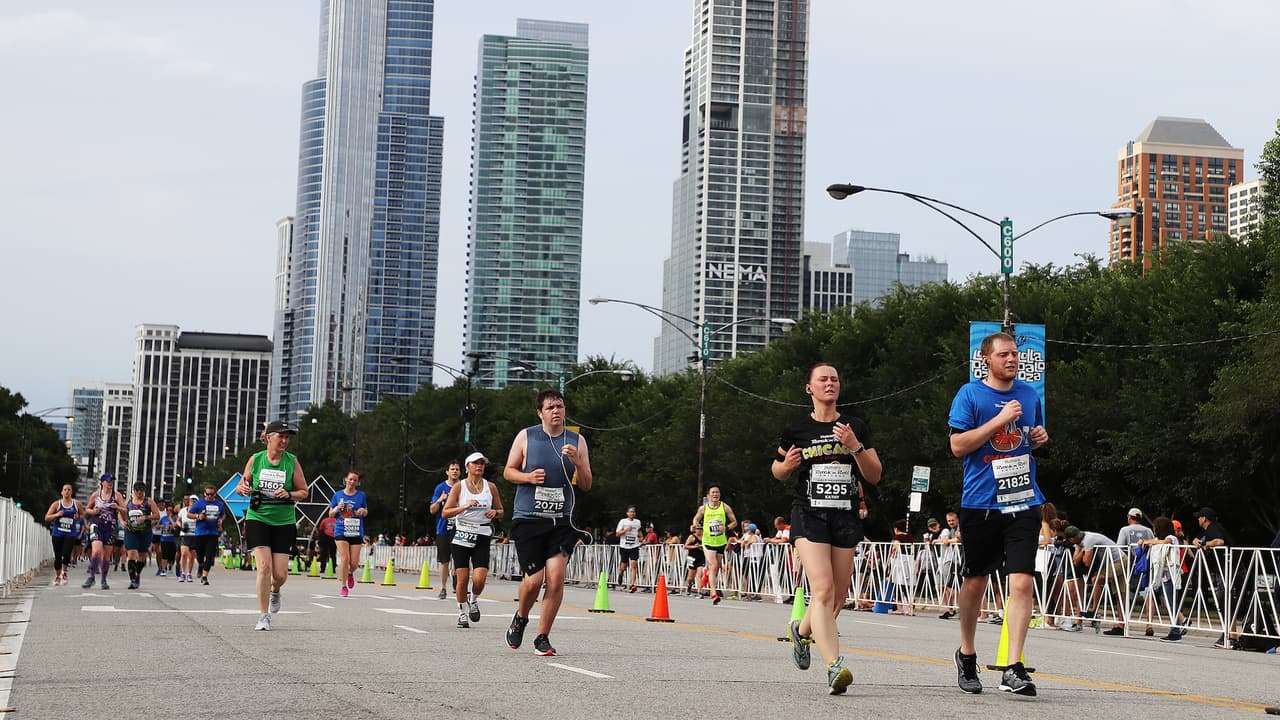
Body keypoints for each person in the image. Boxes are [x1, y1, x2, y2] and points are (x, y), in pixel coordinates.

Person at [947, 332, 1048, 696]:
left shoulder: (1029, 394)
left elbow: (1030, 437)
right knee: (976, 581)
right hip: (981, 503)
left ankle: (1013, 666)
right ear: (985, 359)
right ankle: (967, 654)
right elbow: (957, 445)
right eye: (1004, 354)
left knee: (1021, 582)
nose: (1012, 359)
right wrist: (999, 419)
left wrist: (1039, 438)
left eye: (1015, 354)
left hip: (1022, 500)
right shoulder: (970, 394)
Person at [773, 361, 882, 695]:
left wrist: (855, 446)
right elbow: (776, 469)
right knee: (822, 589)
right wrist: (786, 466)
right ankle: (835, 666)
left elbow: (874, 474)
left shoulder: (855, 426)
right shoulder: (796, 429)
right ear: (810, 388)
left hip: (844, 516)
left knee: (837, 597)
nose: (830, 383)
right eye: (823, 379)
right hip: (809, 514)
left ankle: (801, 630)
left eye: (835, 379)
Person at [503, 389, 593, 657]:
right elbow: (508, 471)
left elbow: (586, 484)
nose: (556, 411)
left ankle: (542, 637)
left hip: (561, 521)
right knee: (534, 580)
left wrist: (578, 463)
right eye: (550, 407)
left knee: (555, 578)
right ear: (540, 412)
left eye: (560, 406)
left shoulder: (576, 440)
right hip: (529, 518)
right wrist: (527, 477)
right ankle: (521, 617)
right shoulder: (526, 436)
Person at [236, 420, 310, 631]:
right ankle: (263, 616)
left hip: (284, 521)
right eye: (281, 436)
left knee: (279, 575)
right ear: (269, 437)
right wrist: (242, 489)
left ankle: (275, 590)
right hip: (258, 517)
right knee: (264, 567)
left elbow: (304, 492)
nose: (284, 441)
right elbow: (241, 485)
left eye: (287, 437)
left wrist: (289, 494)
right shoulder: (256, 459)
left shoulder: (291, 461)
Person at [442, 451, 504, 628]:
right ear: (467, 467)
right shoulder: (459, 487)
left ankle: (473, 600)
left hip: (482, 534)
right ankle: (462, 612)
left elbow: (501, 511)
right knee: (462, 579)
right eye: (476, 463)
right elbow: (445, 512)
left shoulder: (490, 487)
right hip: (462, 533)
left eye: (482, 463)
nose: (479, 466)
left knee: (480, 579)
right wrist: (464, 506)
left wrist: (495, 512)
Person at [691, 486, 738, 605]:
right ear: (708, 495)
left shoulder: (725, 507)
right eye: (713, 492)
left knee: (715, 568)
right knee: (714, 565)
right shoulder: (704, 508)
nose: (715, 494)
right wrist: (695, 526)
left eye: (717, 492)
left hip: (720, 541)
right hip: (708, 541)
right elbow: (696, 519)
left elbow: (734, 522)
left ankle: (706, 575)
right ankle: (713, 593)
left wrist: (726, 528)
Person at [329, 469, 368, 598]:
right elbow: (330, 514)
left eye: (355, 480)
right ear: (346, 479)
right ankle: (343, 586)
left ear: (357, 482)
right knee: (345, 558)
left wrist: (362, 511)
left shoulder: (361, 495)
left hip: (356, 530)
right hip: (341, 529)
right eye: (350, 479)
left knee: (354, 563)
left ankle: (350, 573)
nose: (352, 482)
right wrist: (337, 508)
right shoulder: (338, 495)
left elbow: (365, 511)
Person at [82, 474, 123, 589]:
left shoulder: (117, 496)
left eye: (112, 481)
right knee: (96, 551)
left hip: (110, 527)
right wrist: (94, 511)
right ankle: (91, 577)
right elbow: (87, 509)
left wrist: (117, 507)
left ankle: (104, 580)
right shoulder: (96, 495)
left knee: (106, 555)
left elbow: (125, 510)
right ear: (102, 482)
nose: (110, 483)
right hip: (97, 525)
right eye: (108, 481)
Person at [428, 461, 462, 600]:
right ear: (447, 472)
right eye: (452, 469)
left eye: (457, 469)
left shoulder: (464, 486)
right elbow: (432, 510)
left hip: (461, 527)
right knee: (444, 560)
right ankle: (443, 588)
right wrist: (439, 500)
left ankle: (458, 583)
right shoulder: (440, 488)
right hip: (443, 529)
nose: (455, 471)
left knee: (460, 559)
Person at [117, 482, 160, 590]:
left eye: (141, 490)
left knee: (142, 556)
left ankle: (137, 575)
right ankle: (132, 580)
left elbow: (157, 515)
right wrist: (122, 522)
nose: (139, 492)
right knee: (131, 555)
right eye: (137, 490)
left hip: (145, 532)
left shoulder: (148, 502)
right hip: (131, 532)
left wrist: (146, 517)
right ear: (134, 491)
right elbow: (120, 513)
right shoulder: (128, 502)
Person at [187, 485, 230, 586]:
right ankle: (201, 565)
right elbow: (189, 514)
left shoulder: (219, 504)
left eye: (212, 494)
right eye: (208, 494)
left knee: (210, 556)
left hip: (213, 533)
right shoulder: (199, 503)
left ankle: (204, 577)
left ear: (215, 494)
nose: (209, 496)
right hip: (200, 533)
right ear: (204, 494)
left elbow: (223, 515)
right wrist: (198, 516)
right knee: (200, 555)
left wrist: (221, 520)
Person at [44, 483, 82, 586]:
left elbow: (82, 515)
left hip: (70, 534)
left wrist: (77, 517)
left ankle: (64, 573)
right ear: (62, 492)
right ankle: (57, 576)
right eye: (65, 489)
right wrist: (57, 514)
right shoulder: (57, 504)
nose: (67, 491)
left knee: (66, 554)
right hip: (57, 533)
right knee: (58, 556)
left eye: (69, 489)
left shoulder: (77, 504)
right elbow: (47, 517)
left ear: (71, 492)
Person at [935, 512, 961, 619]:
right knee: (949, 586)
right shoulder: (951, 530)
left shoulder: (959, 528)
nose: (951, 522)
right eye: (949, 521)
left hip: (961, 560)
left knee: (956, 586)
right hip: (955, 560)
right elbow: (947, 540)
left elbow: (958, 539)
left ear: (957, 520)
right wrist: (940, 540)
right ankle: (952, 610)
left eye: (953, 520)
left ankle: (961, 609)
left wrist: (948, 540)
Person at [616, 506, 642, 592]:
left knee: (634, 564)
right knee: (624, 565)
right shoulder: (623, 521)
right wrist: (625, 530)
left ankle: (632, 584)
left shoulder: (638, 522)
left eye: (633, 512)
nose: (632, 513)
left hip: (634, 546)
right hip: (624, 546)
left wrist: (641, 537)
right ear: (627, 513)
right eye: (630, 512)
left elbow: (639, 530)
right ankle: (621, 573)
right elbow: (617, 534)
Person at [177, 494, 198, 582]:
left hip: (194, 535)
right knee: (184, 553)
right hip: (184, 534)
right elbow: (178, 520)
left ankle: (189, 573)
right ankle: (182, 573)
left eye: (195, 500)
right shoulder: (183, 511)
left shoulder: (198, 512)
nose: (193, 502)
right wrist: (181, 526)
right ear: (189, 501)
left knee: (192, 556)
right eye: (191, 500)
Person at [156, 503, 177, 577]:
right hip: (164, 539)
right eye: (168, 510)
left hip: (173, 540)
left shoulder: (175, 518)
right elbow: (157, 526)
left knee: (172, 556)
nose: (169, 512)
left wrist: (172, 525)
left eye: (171, 510)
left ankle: (170, 566)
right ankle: (163, 569)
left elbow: (177, 526)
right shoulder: (163, 518)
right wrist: (163, 526)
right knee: (164, 555)